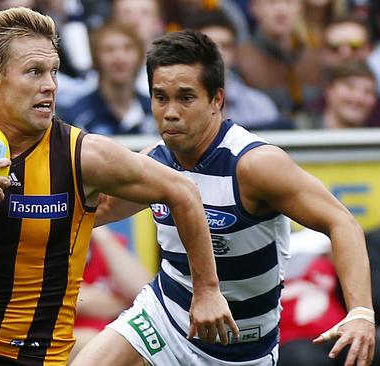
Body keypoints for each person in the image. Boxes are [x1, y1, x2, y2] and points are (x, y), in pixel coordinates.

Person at [0, 7, 235, 366]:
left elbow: (182, 190)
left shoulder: (82, 155)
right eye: (34, 72)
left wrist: (206, 290)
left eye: (54, 72)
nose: (49, 85)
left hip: (31, 356)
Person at [71, 29, 375, 366]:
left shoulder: (254, 165)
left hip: (244, 348)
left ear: (217, 99)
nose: (170, 112)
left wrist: (361, 311)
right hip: (166, 317)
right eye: (160, 97)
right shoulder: (153, 162)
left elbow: (342, 223)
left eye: (185, 98)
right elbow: (98, 210)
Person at [57, 22, 156, 136]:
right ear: (96, 58)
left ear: (140, 57)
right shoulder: (77, 117)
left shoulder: (154, 112)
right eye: (109, 50)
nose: (120, 58)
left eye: (128, 48)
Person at [70, 226, 151, 360]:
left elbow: (144, 292)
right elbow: (75, 300)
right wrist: (129, 305)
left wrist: (102, 235)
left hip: (114, 339)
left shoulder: (104, 246)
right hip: (67, 340)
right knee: (91, 341)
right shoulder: (46, 249)